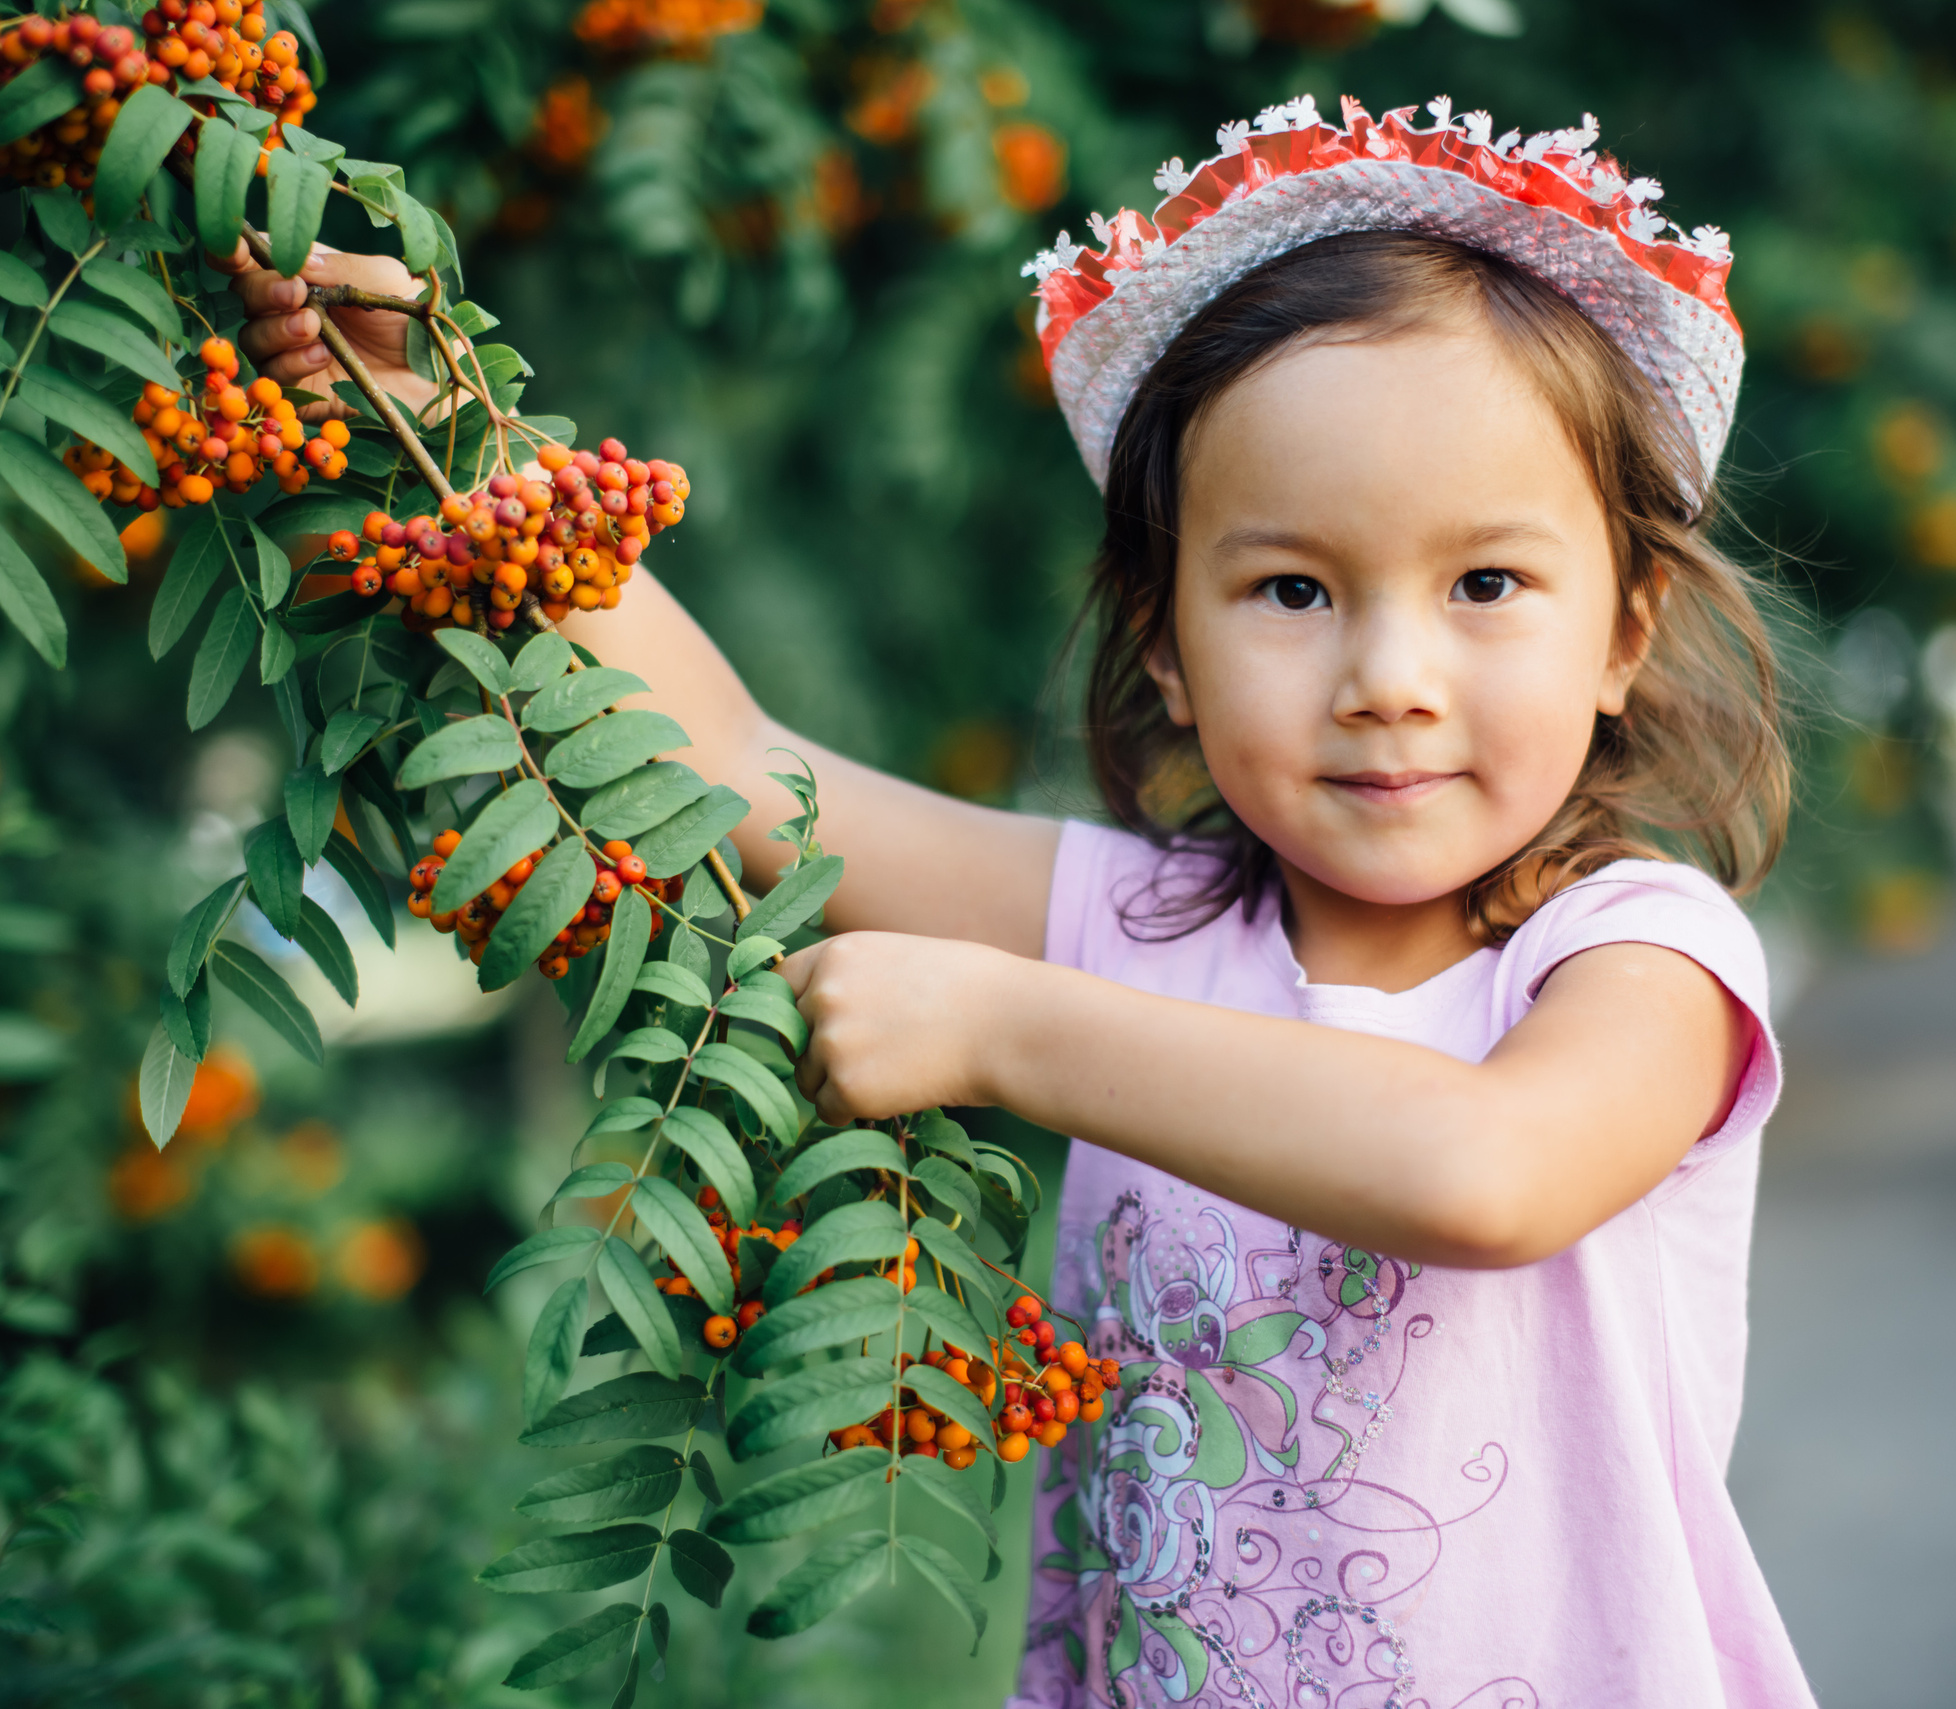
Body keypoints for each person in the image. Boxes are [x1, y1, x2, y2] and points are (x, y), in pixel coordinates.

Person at [229, 95, 1813, 1709]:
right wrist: (455, 423)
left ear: (1626, 627)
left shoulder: (1636, 957)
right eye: (1291, 590)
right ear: (1165, 646)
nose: (1388, 681)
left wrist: (1003, 1026)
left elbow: (1488, 1173)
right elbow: (734, 760)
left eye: (1486, 584)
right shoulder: (1142, 920)